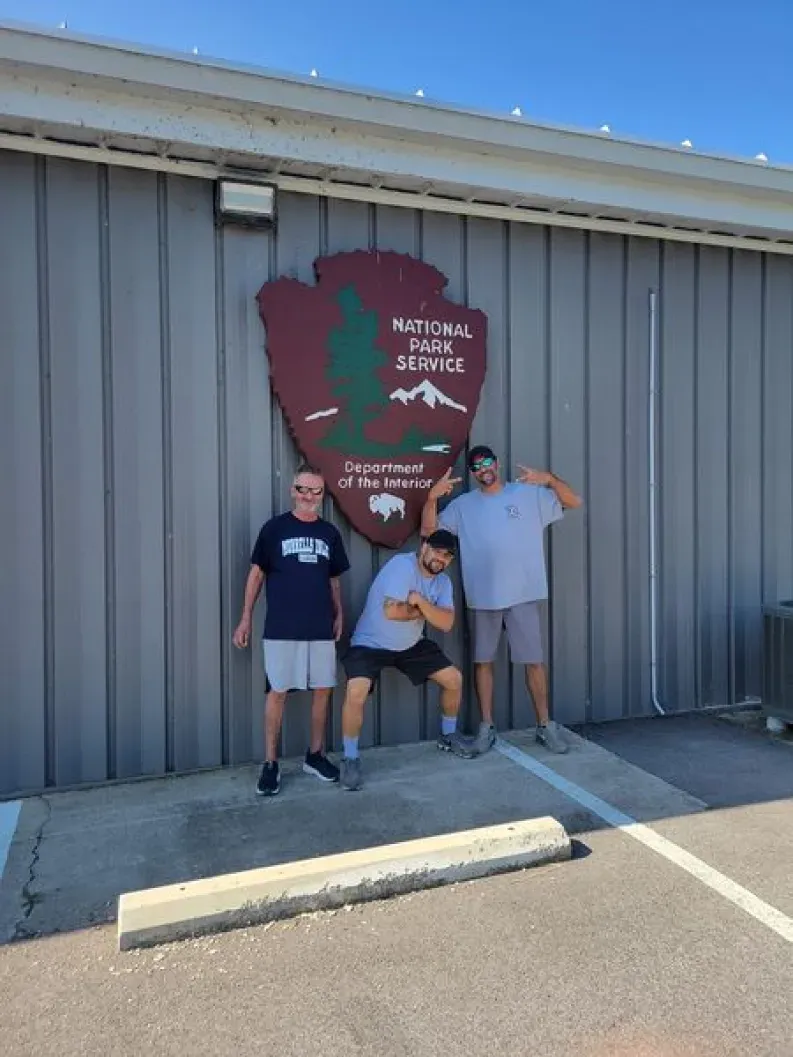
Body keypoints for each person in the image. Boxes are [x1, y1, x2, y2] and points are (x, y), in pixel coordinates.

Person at [421, 445, 583, 756]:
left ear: (496, 463)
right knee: (483, 663)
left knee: (534, 662)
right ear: (473, 473)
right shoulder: (463, 506)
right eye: (476, 466)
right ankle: (487, 727)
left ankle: (545, 726)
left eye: (486, 462)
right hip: (483, 597)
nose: (483, 469)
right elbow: (429, 532)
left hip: (523, 594)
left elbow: (573, 501)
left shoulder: (528, 494)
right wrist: (431, 498)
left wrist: (549, 478)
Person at [232, 463, 350, 796]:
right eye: (303, 489)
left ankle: (315, 755)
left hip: (320, 627)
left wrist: (338, 613)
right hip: (282, 627)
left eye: (316, 491)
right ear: (292, 490)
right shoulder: (274, 529)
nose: (308, 496)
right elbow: (256, 575)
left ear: (322, 495)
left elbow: (333, 579)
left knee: (324, 689)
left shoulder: (329, 533)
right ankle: (270, 763)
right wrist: (245, 617)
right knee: (278, 692)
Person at [338, 529, 473, 791]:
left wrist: (420, 601)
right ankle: (350, 758)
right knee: (357, 690)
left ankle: (448, 736)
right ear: (423, 547)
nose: (440, 559)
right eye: (436, 551)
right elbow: (392, 611)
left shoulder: (444, 582)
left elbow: (446, 623)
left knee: (454, 679)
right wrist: (428, 611)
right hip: (370, 643)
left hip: (410, 645)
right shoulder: (402, 566)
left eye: (448, 556)